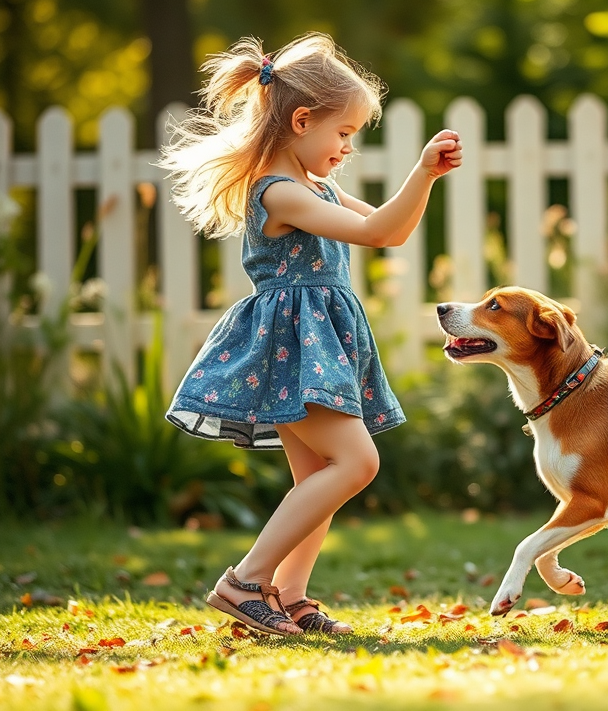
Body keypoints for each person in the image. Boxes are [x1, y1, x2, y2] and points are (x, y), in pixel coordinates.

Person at [158, 32, 462, 635]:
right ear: (301, 121)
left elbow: (383, 226)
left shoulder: (314, 186)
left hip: (315, 345)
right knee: (355, 463)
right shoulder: (281, 193)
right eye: (343, 133)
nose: (348, 147)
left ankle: (287, 595)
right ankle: (244, 582)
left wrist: (422, 180)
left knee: (317, 474)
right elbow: (378, 235)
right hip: (290, 346)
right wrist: (422, 172)